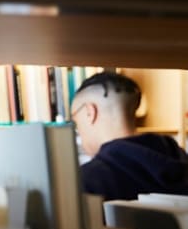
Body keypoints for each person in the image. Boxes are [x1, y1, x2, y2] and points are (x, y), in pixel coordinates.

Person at [70, 70, 188, 201]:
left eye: (76, 121)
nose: (78, 130)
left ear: (89, 112)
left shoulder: (87, 181)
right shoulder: (180, 159)